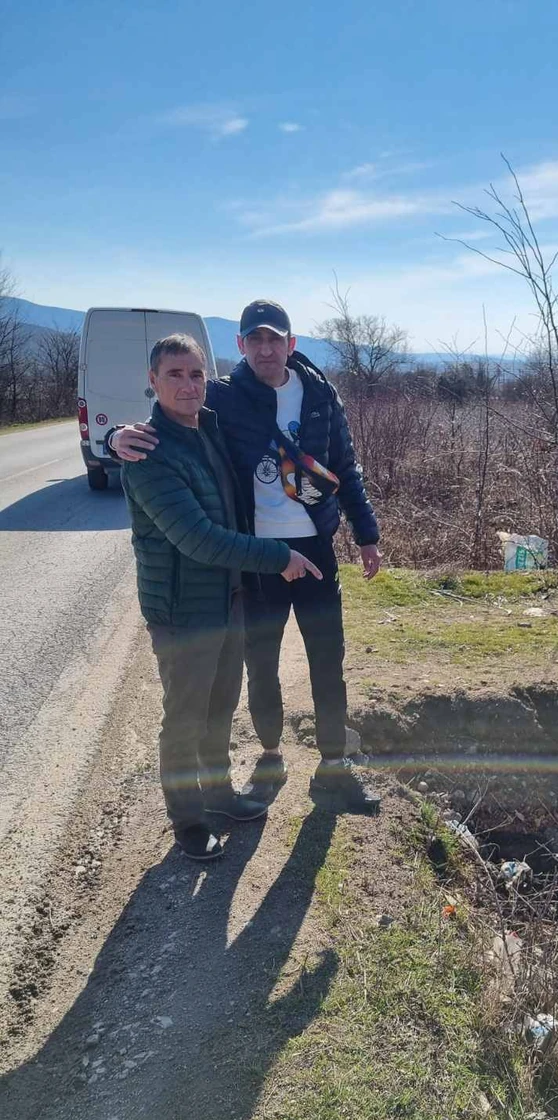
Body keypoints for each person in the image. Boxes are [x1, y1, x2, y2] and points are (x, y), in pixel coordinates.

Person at [110, 300, 381, 814]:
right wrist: (117, 434)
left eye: (274, 339)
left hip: (315, 549)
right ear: (239, 347)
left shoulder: (321, 393)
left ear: (290, 344)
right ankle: (271, 756)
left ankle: (333, 768)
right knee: (261, 663)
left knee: (329, 660)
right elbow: (170, 412)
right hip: (258, 557)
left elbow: (345, 464)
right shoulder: (225, 398)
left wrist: (366, 534)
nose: (265, 348)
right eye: (254, 340)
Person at [122, 333, 322, 861]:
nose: (188, 385)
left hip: (228, 600)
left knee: (220, 706)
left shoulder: (207, 428)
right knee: (185, 717)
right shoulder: (147, 454)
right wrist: (279, 557)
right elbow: (197, 539)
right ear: (153, 381)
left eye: (195, 374)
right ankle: (187, 821)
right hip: (183, 610)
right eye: (174, 374)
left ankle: (218, 793)